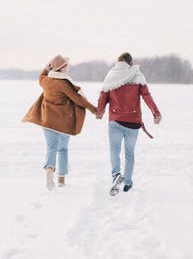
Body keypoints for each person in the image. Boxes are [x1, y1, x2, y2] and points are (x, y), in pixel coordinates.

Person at [23, 54, 97, 190]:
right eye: (66, 65)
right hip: (63, 123)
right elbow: (78, 99)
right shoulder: (63, 83)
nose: (68, 68)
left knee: (51, 148)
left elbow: (41, 75)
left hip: (47, 122)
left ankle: (49, 169)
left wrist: (48, 66)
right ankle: (61, 180)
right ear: (61, 68)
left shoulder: (45, 81)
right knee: (62, 150)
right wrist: (94, 110)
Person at [96, 52, 161, 194]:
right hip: (133, 122)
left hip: (115, 121)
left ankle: (116, 175)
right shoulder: (137, 75)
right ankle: (128, 181)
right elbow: (146, 96)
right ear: (130, 63)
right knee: (129, 153)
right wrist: (155, 112)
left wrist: (100, 112)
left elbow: (103, 95)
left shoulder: (111, 75)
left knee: (114, 150)